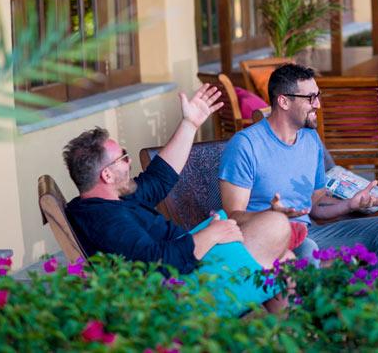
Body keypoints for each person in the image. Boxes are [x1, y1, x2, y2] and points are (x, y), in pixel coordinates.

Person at [64, 84, 291, 312]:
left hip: (187, 262)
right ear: (107, 174)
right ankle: (269, 315)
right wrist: (211, 234)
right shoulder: (107, 219)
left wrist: (189, 124)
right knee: (276, 227)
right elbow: (156, 264)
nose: (129, 160)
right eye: (123, 157)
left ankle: (284, 335)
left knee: (285, 257)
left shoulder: (112, 199)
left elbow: (159, 178)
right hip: (182, 289)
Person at [219, 63, 378, 267]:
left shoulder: (310, 139)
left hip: (308, 233)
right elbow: (234, 217)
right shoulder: (246, 145)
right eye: (310, 98)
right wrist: (272, 218)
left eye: (318, 95)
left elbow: (315, 206)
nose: (317, 104)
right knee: (308, 248)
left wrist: (350, 204)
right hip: (267, 241)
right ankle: (312, 299)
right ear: (283, 101)